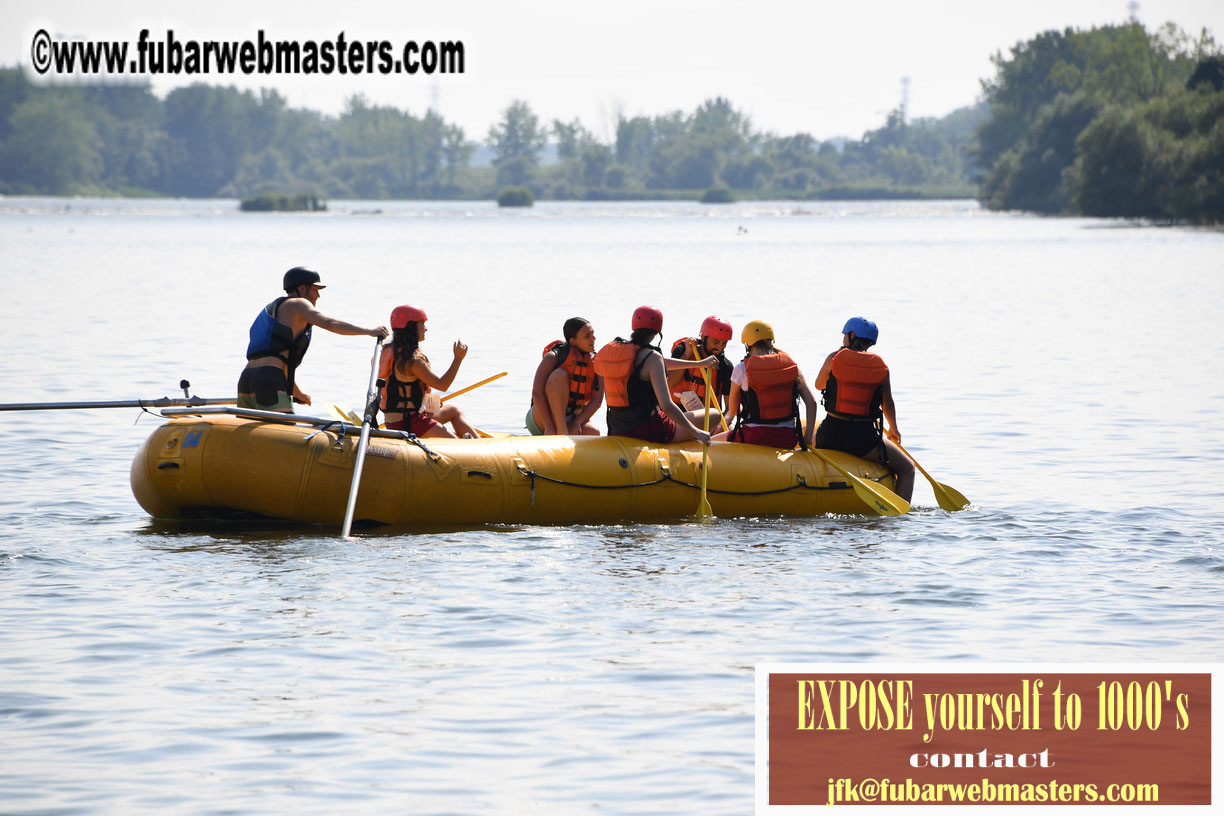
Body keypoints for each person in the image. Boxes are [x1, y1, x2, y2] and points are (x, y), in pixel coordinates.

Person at [239, 267, 388, 412]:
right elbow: (330, 323)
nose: (318, 296)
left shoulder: (274, 309)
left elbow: (279, 363)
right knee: (285, 427)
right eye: (315, 289)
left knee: (253, 427)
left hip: (247, 379)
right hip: (269, 378)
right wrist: (369, 331)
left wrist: (298, 394)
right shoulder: (298, 303)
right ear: (302, 288)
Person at [813, 316, 915, 502]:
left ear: (852, 335)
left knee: (807, 438)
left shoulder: (834, 358)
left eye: (845, 334)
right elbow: (887, 403)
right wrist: (893, 428)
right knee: (908, 469)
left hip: (830, 434)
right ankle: (901, 511)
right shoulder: (881, 368)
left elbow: (819, 385)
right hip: (863, 440)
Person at [592, 306, 716, 444]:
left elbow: (660, 362)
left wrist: (699, 364)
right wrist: (696, 432)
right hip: (648, 430)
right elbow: (666, 406)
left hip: (617, 428)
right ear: (657, 331)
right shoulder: (651, 357)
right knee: (714, 415)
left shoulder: (622, 353)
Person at [378, 304, 479, 439]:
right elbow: (443, 385)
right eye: (422, 324)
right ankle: (475, 447)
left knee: (453, 411)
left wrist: (431, 403)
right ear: (411, 327)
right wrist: (458, 358)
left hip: (397, 420)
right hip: (409, 423)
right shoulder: (413, 361)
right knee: (456, 443)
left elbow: (405, 388)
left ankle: (478, 443)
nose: (425, 329)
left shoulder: (389, 352)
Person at [713, 320, 816, 449]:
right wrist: (807, 438)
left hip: (754, 437)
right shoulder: (791, 366)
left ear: (747, 345)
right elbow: (812, 403)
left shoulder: (742, 368)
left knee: (710, 443)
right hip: (787, 438)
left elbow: (733, 411)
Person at [527, 317, 605, 435]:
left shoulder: (597, 363)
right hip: (543, 418)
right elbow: (537, 393)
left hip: (572, 417)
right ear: (572, 341)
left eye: (593, 334)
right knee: (559, 375)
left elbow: (597, 401)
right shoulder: (553, 356)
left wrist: (577, 422)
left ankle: (563, 431)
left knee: (593, 432)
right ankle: (561, 432)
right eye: (587, 336)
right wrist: (549, 426)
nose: (593, 339)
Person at [666, 315, 734, 427]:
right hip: (677, 416)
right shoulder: (683, 350)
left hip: (706, 421)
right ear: (703, 337)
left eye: (724, 343)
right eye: (715, 342)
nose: (720, 348)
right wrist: (686, 355)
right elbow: (670, 384)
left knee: (730, 428)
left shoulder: (726, 366)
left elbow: (730, 409)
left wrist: (720, 427)